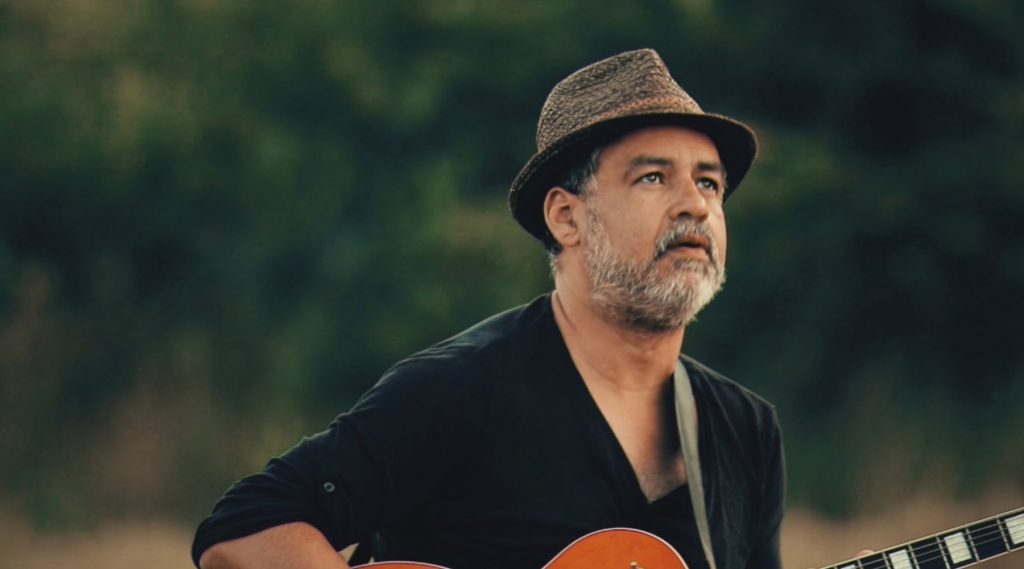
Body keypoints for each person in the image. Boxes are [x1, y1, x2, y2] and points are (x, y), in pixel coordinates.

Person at [192, 48, 784, 569]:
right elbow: (243, 528)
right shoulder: (460, 390)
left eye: (709, 184)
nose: (695, 205)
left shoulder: (746, 430)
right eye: (653, 177)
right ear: (567, 217)